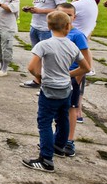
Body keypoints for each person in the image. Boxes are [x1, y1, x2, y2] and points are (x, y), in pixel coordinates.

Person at [22, 11, 90, 173]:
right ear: (68, 26)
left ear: (48, 26)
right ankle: (59, 145)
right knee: (62, 118)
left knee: (44, 122)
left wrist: (40, 77)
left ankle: (46, 159)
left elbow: (31, 67)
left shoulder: (44, 45)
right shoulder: (72, 45)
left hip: (50, 89)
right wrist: (68, 75)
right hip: (66, 89)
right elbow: (86, 67)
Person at [56, 3, 92, 157]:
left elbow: (87, 60)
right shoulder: (56, 33)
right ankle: (58, 138)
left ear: (74, 17)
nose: (65, 18)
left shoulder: (77, 35)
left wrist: (77, 79)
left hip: (71, 77)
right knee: (57, 110)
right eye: (61, 14)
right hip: (57, 77)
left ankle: (69, 140)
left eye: (69, 15)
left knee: (71, 109)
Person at [20, 0, 65, 89]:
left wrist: (41, 11)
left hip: (46, 29)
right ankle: (37, 80)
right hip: (34, 26)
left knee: (48, 58)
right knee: (37, 56)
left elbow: (62, 9)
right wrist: (31, 9)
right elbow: (39, 6)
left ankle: (47, 83)